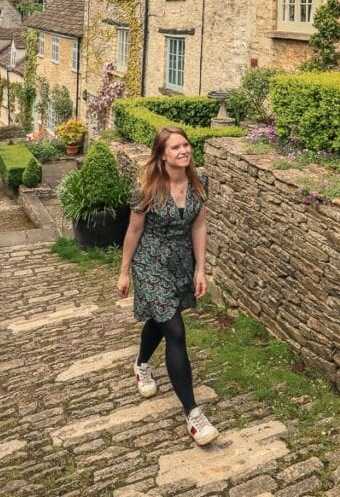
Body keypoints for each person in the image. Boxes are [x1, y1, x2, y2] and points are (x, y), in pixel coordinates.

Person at [117, 126, 219, 446]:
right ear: (162, 154)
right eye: (175, 147)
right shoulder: (147, 187)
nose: (183, 151)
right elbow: (134, 231)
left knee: (161, 322)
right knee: (175, 330)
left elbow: (199, 225)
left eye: (186, 144)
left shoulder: (199, 182)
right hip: (149, 263)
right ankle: (193, 415)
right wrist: (124, 272)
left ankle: (141, 364)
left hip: (180, 265)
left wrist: (201, 269)